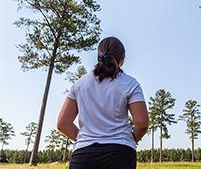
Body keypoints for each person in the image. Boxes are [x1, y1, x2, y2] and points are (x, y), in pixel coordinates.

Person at [57, 36, 149, 169]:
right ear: (122, 58)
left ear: (98, 56)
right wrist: (130, 139)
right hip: (121, 154)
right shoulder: (130, 83)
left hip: (83, 156)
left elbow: (62, 124)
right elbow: (142, 124)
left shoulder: (79, 84)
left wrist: (86, 139)